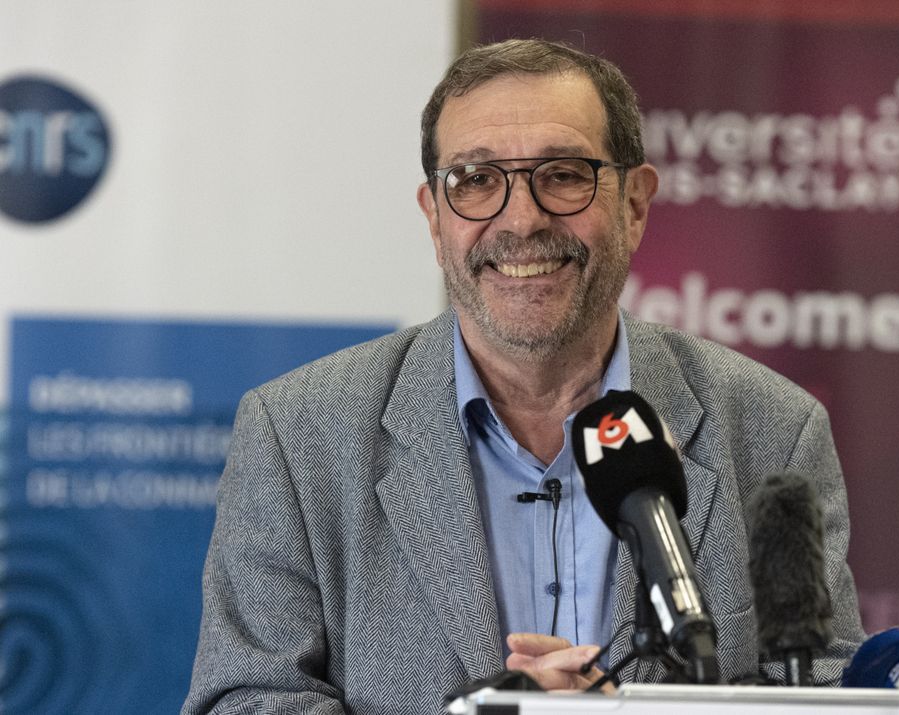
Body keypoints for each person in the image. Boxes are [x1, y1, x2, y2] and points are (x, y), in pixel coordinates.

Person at [183, 38, 864, 714]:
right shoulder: (298, 434)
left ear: (635, 204)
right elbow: (244, 703)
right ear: (434, 216)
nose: (521, 219)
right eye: (476, 180)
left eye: (564, 174)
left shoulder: (773, 429)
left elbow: (827, 696)